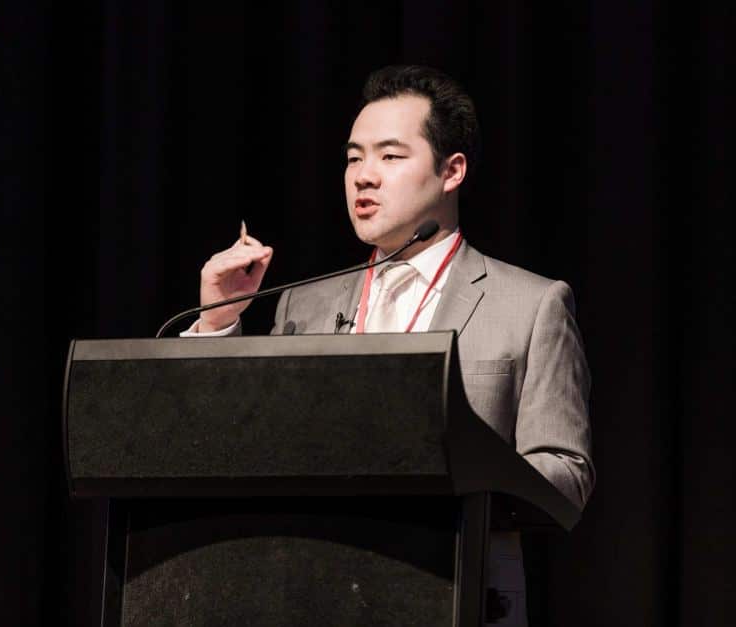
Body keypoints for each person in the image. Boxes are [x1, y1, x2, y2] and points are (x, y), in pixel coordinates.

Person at [184, 65, 594, 623]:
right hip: (315, 596)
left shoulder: (532, 304)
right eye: (354, 158)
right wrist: (219, 321)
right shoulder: (301, 305)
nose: (364, 177)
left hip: (458, 598)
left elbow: (567, 477)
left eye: (390, 157)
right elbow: (230, 451)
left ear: (452, 171)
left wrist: (456, 464)